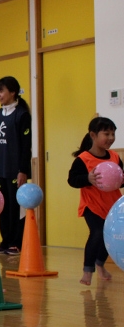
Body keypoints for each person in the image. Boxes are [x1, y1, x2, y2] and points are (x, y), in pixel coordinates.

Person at [68, 117, 121, 286]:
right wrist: (87, 178)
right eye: (107, 133)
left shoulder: (114, 157)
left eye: (113, 133)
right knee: (97, 233)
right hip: (92, 206)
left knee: (109, 237)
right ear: (93, 135)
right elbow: (72, 180)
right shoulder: (83, 159)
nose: (111, 138)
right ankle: (87, 271)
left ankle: (100, 264)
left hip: (112, 206)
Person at [0, 76, 32, 255]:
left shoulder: (22, 115)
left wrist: (23, 170)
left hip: (15, 170)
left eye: (1, 91)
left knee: (16, 207)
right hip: (0, 167)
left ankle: (16, 243)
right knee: (2, 206)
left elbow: (27, 146)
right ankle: (5, 241)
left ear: (12, 92)